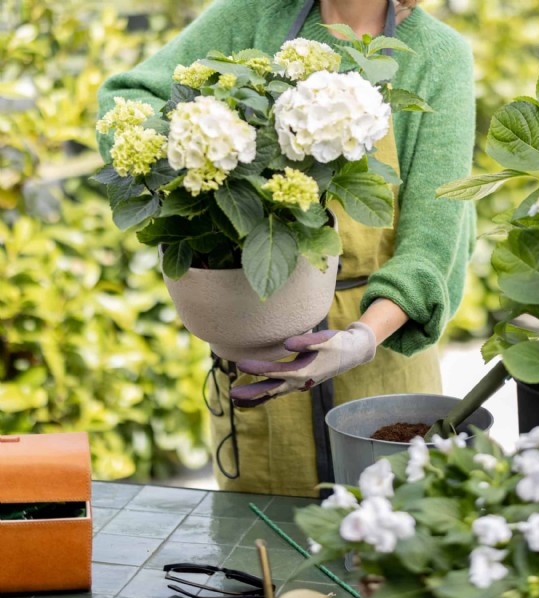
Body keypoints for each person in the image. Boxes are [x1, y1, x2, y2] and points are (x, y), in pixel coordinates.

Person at [97, 0, 476, 497]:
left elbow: (432, 241)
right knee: (263, 557)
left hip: (380, 358)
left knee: (389, 545)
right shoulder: (255, 16)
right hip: (260, 349)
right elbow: (126, 97)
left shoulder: (436, 54)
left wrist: (360, 340)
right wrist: (200, 154)